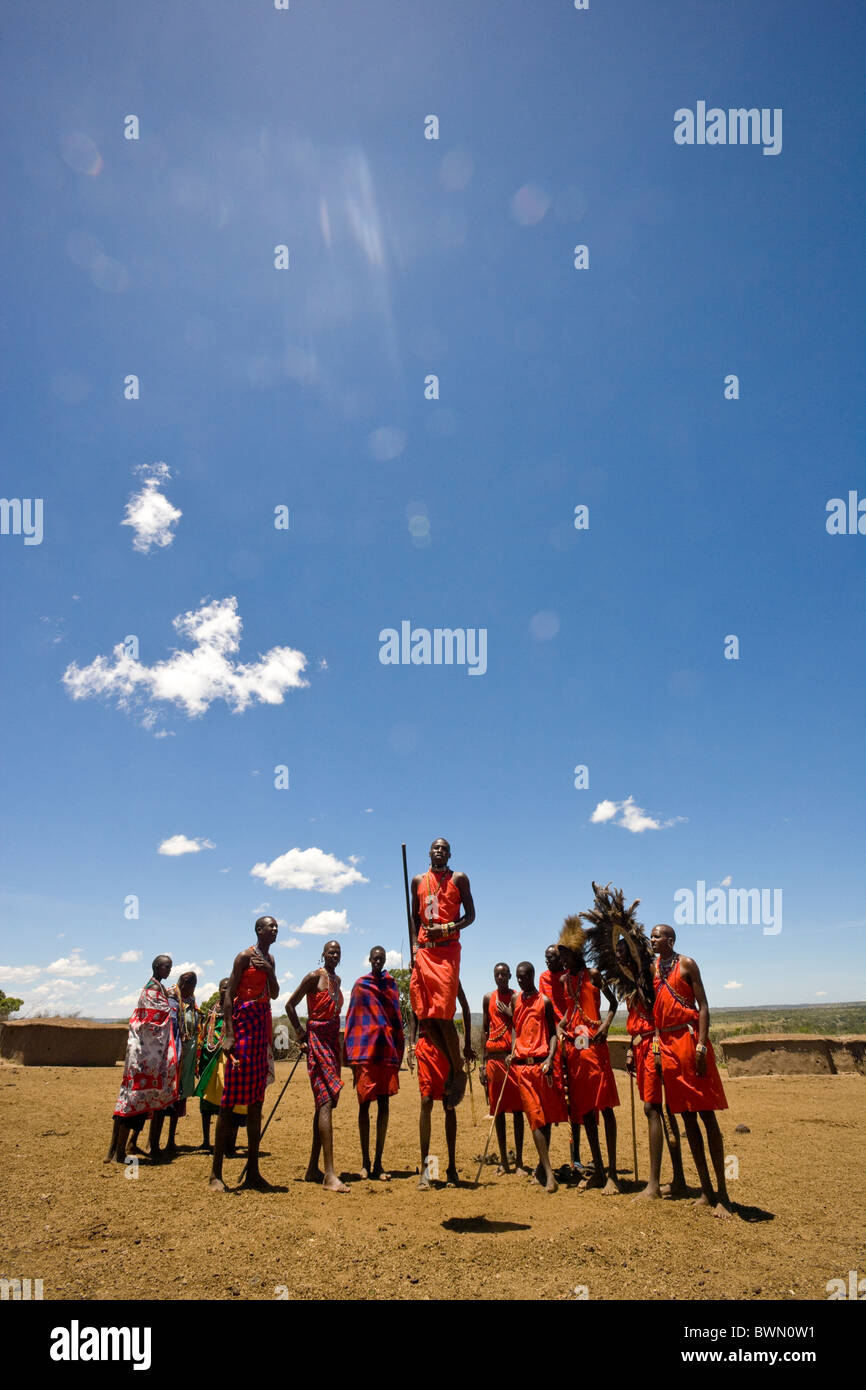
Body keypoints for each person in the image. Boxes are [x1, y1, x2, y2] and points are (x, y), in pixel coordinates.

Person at [650, 924, 733, 1217]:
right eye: (651, 936)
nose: (653, 939)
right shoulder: (654, 968)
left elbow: (704, 1005)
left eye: (657, 936)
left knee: (706, 1116)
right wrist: (657, 1046)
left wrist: (701, 1046)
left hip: (689, 1043)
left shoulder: (686, 964)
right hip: (668, 1046)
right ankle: (706, 1190)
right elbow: (656, 1013)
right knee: (686, 1120)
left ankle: (723, 1193)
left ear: (670, 940)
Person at [208, 917, 280, 1192]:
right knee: (229, 1102)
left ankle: (253, 1171)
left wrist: (270, 971)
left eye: (276, 927)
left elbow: (274, 993)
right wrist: (228, 1033)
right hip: (242, 1027)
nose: (273, 930)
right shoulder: (243, 957)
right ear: (258, 931)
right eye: (269, 927)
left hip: (261, 1027)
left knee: (256, 1101)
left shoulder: (270, 959)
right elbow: (229, 996)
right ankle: (215, 1173)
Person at [615, 937, 687, 1201]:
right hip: (641, 1044)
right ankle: (677, 1179)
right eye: (617, 951)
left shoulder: (649, 974)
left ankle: (654, 1185)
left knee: (654, 1108)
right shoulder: (630, 977)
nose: (619, 955)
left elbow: (660, 1010)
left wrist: (656, 1043)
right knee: (659, 1109)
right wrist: (631, 1047)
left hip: (654, 1043)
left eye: (623, 951)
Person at [409, 838, 475, 1107]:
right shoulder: (418, 881)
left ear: (449, 854)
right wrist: (415, 946)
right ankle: (450, 1065)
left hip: (447, 950)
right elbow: (414, 917)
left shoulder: (459, 879)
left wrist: (447, 928)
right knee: (427, 1016)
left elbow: (470, 916)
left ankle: (458, 1072)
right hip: (424, 951)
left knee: (444, 1014)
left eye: (444, 849)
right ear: (429, 852)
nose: (439, 851)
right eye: (435, 848)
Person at [557, 919, 621, 1194]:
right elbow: (572, 1011)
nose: (562, 960)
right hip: (576, 1050)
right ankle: (597, 1169)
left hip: (595, 1047)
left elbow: (613, 1002)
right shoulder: (565, 980)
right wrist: (562, 1024)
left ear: (575, 954)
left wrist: (605, 1026)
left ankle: (614, 1175)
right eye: (560, 956)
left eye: (565, 955)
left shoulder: (594, 974)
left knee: (604, 1108)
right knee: (585, 1111)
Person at [286, 939, 349, 1194]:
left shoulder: (338, 981)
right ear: (322, 954)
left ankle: (313, 1168)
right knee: (324, 1102)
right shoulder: (314, 977)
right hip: (317, 1040)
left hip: (333, 1042)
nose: (334, 955)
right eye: (330, 952)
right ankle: (330, 1174)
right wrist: (301, 1034)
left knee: (325, 1102)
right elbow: (290, 1005)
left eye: (338, 952)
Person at [105, 955, 180, 1165]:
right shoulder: (152, 989)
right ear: (156, 967)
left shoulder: (158, 988)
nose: (169, 970)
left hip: (149, 1056)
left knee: (135, 1102)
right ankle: (118, 1151)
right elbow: (152, 1019)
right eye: (166, 966)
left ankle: (119, 1150)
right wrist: (168, 1007)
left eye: (170, 967)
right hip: (144, 1055)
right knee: (132, 1102)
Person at [344, 946, 405, 1180]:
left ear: (384, 960)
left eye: (382, 958)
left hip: (386, 1051)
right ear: (369, 959)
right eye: (375, 958)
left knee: (384, 1105)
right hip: (365, 1052)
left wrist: (399, 1050)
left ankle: (378, 1163)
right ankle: (365, 1163)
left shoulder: (391, 985)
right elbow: (352, 1018)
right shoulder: (361, 985)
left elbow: (397, 1019)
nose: (378, 961)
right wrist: (350, 1056)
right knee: (364, 1105)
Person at [510, 961, 566, 1192]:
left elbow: (553, 1034)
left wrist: (550, 1058)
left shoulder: (544, 1001)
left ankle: (543, 1169)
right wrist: (513, 1047)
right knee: (535, 1118)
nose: (521, 981)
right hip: (522, 1068)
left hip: (541, 1065)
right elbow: (515, 1026)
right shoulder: (515, 1000)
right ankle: (549, 1174)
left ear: (532, 976)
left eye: (524, 977)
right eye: (518, 978)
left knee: (546, 1117)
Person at [416, 981, 475, 1190]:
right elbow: (416, 1010)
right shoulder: (421, 973)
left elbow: (466, 1007)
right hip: (425, 1045)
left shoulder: (450, 975)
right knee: (426, 1101)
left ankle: (451, 1167)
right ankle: (427, 1169)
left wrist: (467, 1044)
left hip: (448, 1046)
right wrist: (412, 1042)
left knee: (449, 1104)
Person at [539, 943, 584, 1177]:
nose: (548, 961)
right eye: (546, 957)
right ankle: (544, 1161)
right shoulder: (543, 978)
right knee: (553, 1095)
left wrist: (566, 1027)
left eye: (553, 957)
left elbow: (574, 1005)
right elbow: (544, 1010)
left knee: (575, 1097)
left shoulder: (569, 977)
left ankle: (575, 1156)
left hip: (574, 1035)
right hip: (553, 1041)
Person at [481, 963, 527, 1176]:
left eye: (503, 974)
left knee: (518, 1111)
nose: (500, 977)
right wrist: (482, 1063)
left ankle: (518, 1162)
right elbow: (484, 1029)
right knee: (498, 1112)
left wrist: (510, 1014)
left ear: (509, 976)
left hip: (512, 1061)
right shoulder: (488, 998)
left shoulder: (517, 997)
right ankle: (503, 1162)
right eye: (496, 974)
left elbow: (521, 1025)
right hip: (494, 1061)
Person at [196, 979, 247, 1153]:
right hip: (209, 1058)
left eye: (228, 988)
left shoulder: (236, 1009)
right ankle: (205, 1140)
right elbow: (204, 1034)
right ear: (218, 989)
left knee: (228, 1101)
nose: (225, 990)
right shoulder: (213, 1011)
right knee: (206, 1102)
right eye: (223, 988)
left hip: (228, 1060)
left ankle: (227, 1143)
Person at [164, 971, 198, 1154]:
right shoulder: (171, 996)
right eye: (192, 986)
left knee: (180, 1097)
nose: (193, 990)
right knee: (166, 1099)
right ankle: (153, 1142)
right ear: (184, 983)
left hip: (186, 1057)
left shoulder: (190, 999)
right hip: (173, 1055)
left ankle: (170, 1140)